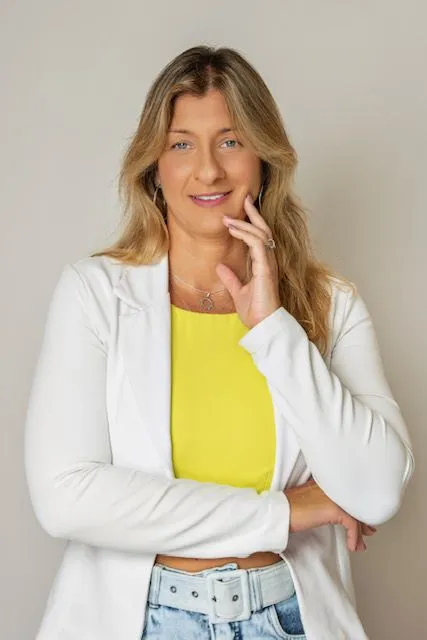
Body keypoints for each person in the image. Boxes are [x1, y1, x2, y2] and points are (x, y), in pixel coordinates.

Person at [24, 45, 414, 640]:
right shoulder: (95, 294)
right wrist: (285, 512)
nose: (208, 170)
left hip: (290, 621)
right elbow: (67, 497)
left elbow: (379, 490)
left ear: (264, 158)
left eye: (230, 141)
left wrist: (273, 329)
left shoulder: (330, 304)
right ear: (154, 167)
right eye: (182, 144)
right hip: (143, 621)